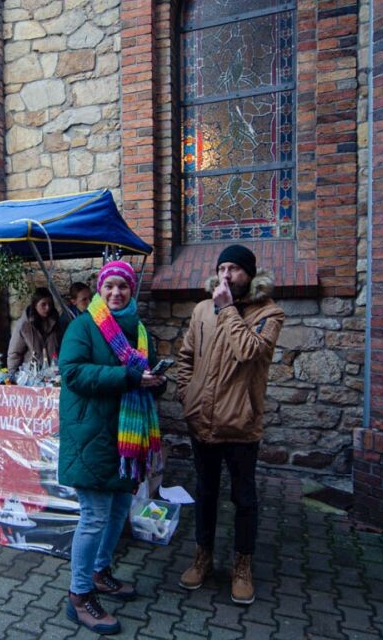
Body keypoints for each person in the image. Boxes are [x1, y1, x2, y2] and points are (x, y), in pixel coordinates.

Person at [57, 260, 164, 635]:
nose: (116, 293)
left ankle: (100, 573)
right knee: (94, 516)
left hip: (124, 437)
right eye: (109, 286)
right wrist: (129, 377)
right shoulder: (83, 326)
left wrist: (155, 382)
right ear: (100, 291)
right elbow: (72, 372)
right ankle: (79, 595)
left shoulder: (138, 330)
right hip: (91, 434)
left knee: (119, 509)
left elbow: (144, 372)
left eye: (123, 286)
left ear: (131, 291)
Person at [176, 244, 284, 605]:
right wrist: (187, 395)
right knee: (205, 492)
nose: (226, 275)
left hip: (240, 425)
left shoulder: (270, 313)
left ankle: (242, 565)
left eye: (234, 268)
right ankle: (203, 556)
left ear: (249, 274)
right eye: (222, 268)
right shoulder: (201, 310)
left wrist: (226, 310)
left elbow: (249, 352)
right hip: (202, 421)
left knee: (244, 498)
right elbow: (186, 356)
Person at [7, 287, 63, 374]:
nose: (47, 308)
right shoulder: (24, 325)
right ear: (35, 305)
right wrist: (12, 374)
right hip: (31, 374)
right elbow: (15, 353)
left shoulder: (56, 323)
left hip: (53, 373)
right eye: (43, 304)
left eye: (50, 304)